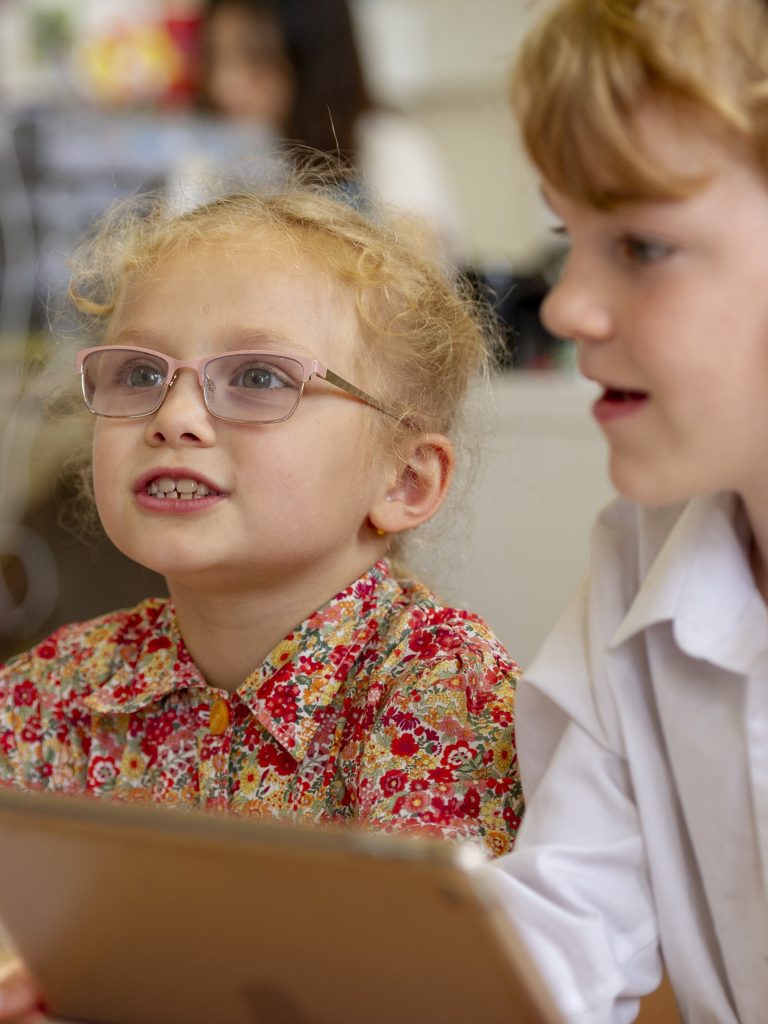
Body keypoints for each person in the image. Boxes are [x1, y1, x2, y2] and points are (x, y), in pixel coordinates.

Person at [0, 173, 523, 1021]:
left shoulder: (438, 688)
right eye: (139, 371)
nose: (174, 416)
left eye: (260, 378)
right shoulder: (57, 688)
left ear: (405, 479)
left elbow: (417, 997)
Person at [489, 1, 768, 1022]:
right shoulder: (638, 555)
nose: (565, 306)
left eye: (642, 246)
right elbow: (561, 932)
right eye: (572, 236)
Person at [198, 0, 467, 260]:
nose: (224, 84)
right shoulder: (225, 156)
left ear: (314, 58)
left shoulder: (390, 148)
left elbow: (418, 279)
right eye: (215, 56)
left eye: (256, 58)